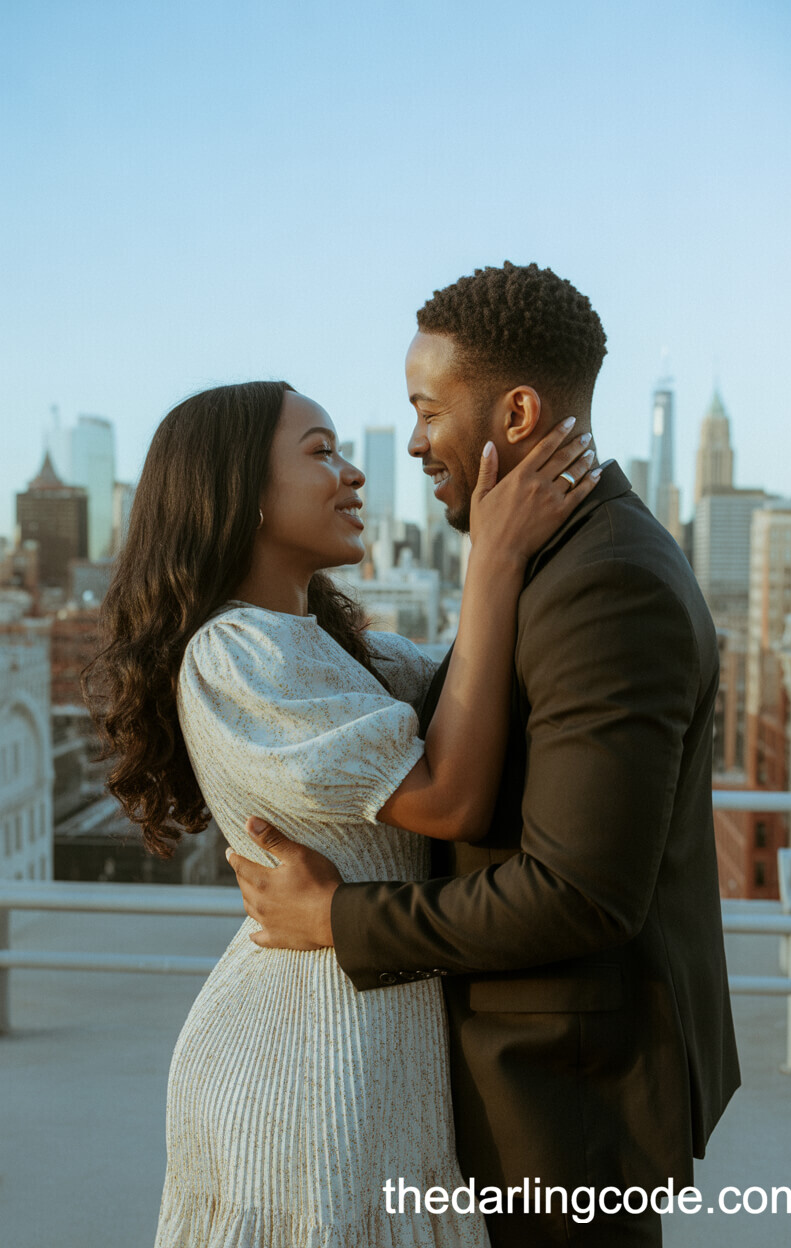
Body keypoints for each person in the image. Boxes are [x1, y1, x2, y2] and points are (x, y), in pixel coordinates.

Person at [228, 262, 742, 1247]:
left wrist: (336, 918)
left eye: (427, 409)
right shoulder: (550, 559)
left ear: (514, 411)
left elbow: (580, 892)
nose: (414, 441)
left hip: (560, 1106)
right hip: (525, 1083)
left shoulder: (606, 584)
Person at [82, 376, 598, 1246]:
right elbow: (450, 795)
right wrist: (496, 559)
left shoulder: (339, 651)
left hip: (371, 1058)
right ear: (235, 491)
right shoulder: (232, 653)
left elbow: (480, 681)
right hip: (302, 1070)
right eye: (320, 452)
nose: (355, 473)